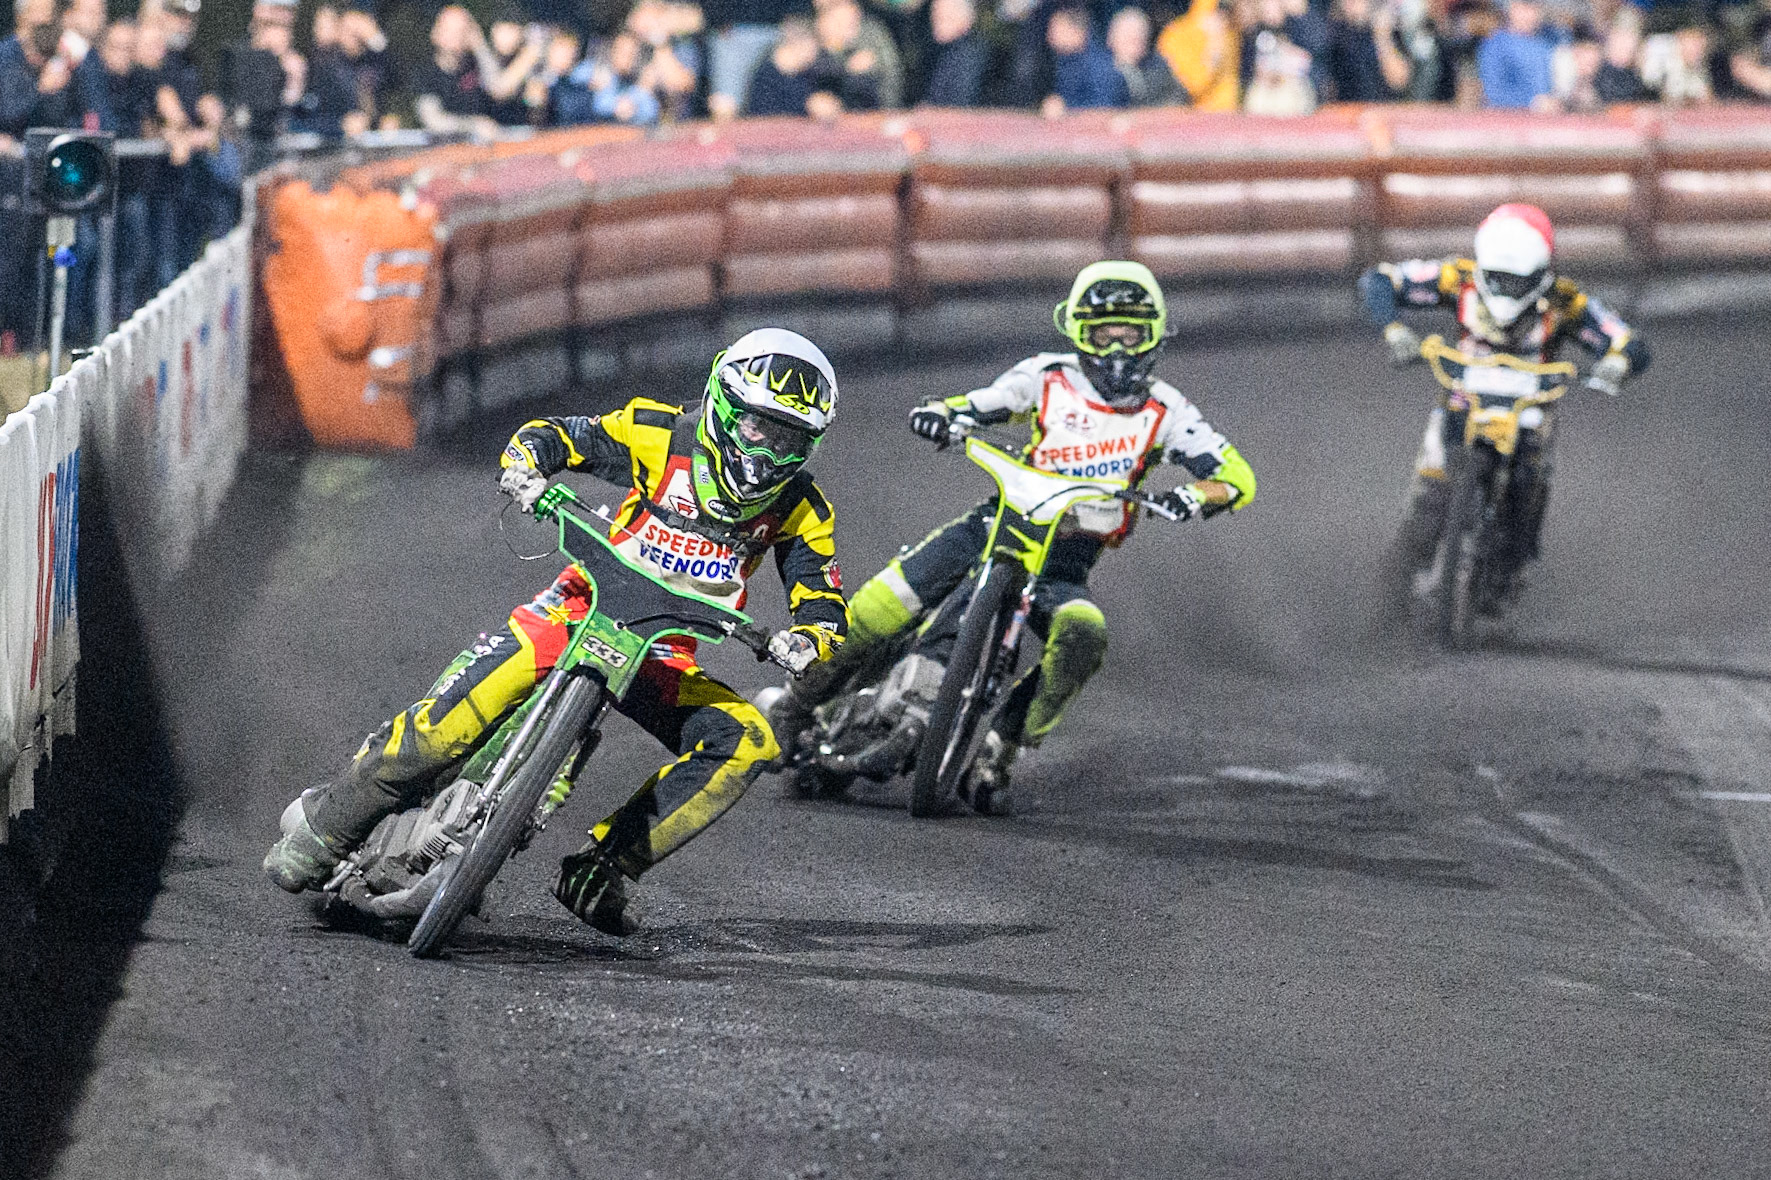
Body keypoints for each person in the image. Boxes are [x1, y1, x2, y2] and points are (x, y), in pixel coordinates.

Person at [264, 330, 850, 937]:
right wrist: (527, 469)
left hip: (661, 654)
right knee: (445, 730)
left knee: (749, 738)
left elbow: (825, 601)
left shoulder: (804, 507)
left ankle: (605, 867)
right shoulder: (658, 431)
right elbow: (558, 436)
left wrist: (807, 641)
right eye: (758, 426)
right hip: (575, 611)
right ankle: (328, 825)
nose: (766, 450)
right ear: (725, 403)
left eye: (788, 438)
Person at [769, 262, 1256, 812]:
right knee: (878, 607)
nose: (1117, 349)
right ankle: (793, 704)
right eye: (1103, 333)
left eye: (1131, 333)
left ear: (1155, 337)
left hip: (1063, 563)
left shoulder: (1169, 411)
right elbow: (983, 402)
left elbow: (1235, 477)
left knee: (1084, 633)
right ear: (1077, 334)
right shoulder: (1047, 376)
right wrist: (943, 413)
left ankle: (1001, 749)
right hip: (995, 524)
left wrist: (1194, 497)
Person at [1357, 204, 1650, 605]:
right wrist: (1393, 329)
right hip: (1464, 398)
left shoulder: (1566, 302)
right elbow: (1381, 280)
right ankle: (1393, 581)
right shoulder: (1457, 280)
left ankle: (1510, 568)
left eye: (1517, 282)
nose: (1506, 291)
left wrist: (1618, 362)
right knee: (1430, 492)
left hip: (1529, 408)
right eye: (1497, 279)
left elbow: (1625, 339)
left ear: (1541, 275)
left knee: (1529, 487)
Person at [412, 6, 497, 137]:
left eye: (462, 31)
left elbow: (498, 89)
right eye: (448, 30)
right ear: (435, 33)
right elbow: (434, 121)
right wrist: (473, 125)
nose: (455, 36)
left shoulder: (477, 65)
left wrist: (480, 46)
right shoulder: (424, 73)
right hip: (440, 152)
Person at [1043, 5, 1128, 115]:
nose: (1049, 36)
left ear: (1075, 31)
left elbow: (1104, 107)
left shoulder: (1099, 66)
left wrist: (1066, 109)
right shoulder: (1065, 61)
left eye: (1056, 30)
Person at [1157, 0, 1239, 109]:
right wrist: (1213, 44)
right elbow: (1195, 84)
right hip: (1194, 113)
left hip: (1228, 112)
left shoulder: (1228, 32)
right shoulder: (1177, 35)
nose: (1223, 16)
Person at [1476, 0, 1557, 109]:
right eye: (1523, 8)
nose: (1529, 15)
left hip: (1545, 121)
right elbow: (1493, 93)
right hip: (1506, 120)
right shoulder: (1495, 45)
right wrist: (1532, 102)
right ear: (1511, 9)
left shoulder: (1545, 46)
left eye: (1534, 9)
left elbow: (1551, 88)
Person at [1107, 6, 1187, 106]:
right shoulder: (1099, 74)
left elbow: (1177, 97)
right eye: (1128, 34)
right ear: (1111, 37)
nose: (1135, 38)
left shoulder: (1159, 71)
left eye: (1140, 34)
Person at [744, 16, 821, 114]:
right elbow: (764, 116)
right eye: (814, 46)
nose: (815, 54)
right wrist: (808, 105)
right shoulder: (765, 77)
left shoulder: (807, 74)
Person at [918, 0, 988, 106]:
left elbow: (958, 103)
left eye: (946, 18)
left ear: (966, 21)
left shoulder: (968, 56)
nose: (937, 24)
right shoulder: (942, 51)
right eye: (935, 16)